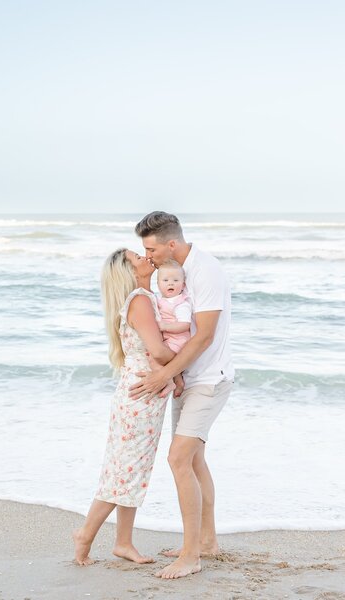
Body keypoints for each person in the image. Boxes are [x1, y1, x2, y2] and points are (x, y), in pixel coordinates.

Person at [130, 212, 235, 579]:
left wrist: (164, 374)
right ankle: (205, 541)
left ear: (170, 243)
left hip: (208, 380)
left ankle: (191, 556)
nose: (149, 257)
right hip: (189, 379)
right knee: (192, 460)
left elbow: (203, 335)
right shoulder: (178, 271)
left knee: (178, 459)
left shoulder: (205, 272)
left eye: (151, 249)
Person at [73, 248, 176, 566]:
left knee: (132, 471)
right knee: (123, 472)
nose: (146, 259)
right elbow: (158, 352)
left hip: (139, 394)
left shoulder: (141, 298)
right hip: (141, 396)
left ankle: (123, 543)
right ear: (129, 272)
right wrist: (189, 361)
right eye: (137, 259)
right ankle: (85, 535)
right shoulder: (140, 300)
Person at [156, 259, 192, 353]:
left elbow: (185, 324)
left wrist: (165, 327)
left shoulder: (180, 304)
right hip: (167, 339)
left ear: (183, 285)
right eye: (165, 280)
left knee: (156, 359)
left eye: (176, 280)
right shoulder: (159, 300)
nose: (170, 283)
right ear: (158, 284)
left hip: (178, 342)